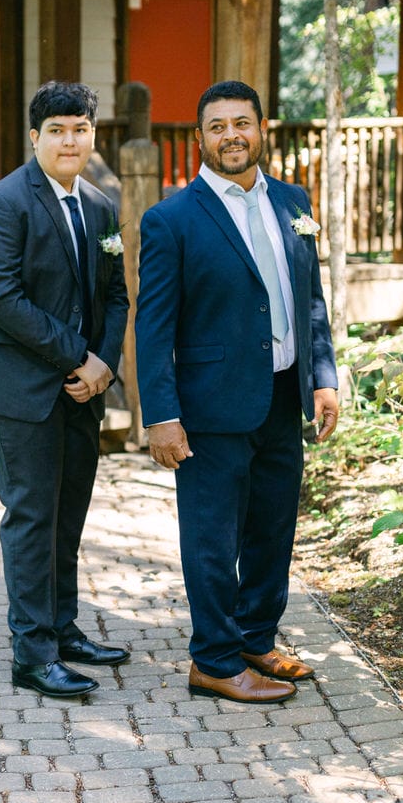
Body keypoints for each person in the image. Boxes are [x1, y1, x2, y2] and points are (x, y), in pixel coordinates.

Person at [135, 79, 340, 706]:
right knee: (212, 539)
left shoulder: (294, 201)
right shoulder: (170, 219)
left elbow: (310, 299)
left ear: (261, 130)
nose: (231, 135)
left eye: (242, 123)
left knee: (274, 529)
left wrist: (324, 377)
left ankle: (256, 639)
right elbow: (153, 325)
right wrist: (162, 414)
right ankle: (215, 662)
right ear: (201, 138)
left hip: (283, 396)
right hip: (211, 406)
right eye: (218, 126)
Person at [0, 81, 131, 699]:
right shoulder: (2, 203)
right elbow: (2, 299)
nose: (69, 140)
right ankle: (32, 654)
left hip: (81, 386)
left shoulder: (102, 208)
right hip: (14, 383)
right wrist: (78, 355)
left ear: (92, 135)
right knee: (31, 515)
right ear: (35, 138)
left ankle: (62, 628)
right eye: (56, 130)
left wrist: (103, 363)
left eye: (79, 128)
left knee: (68, 512)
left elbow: (114, 295)